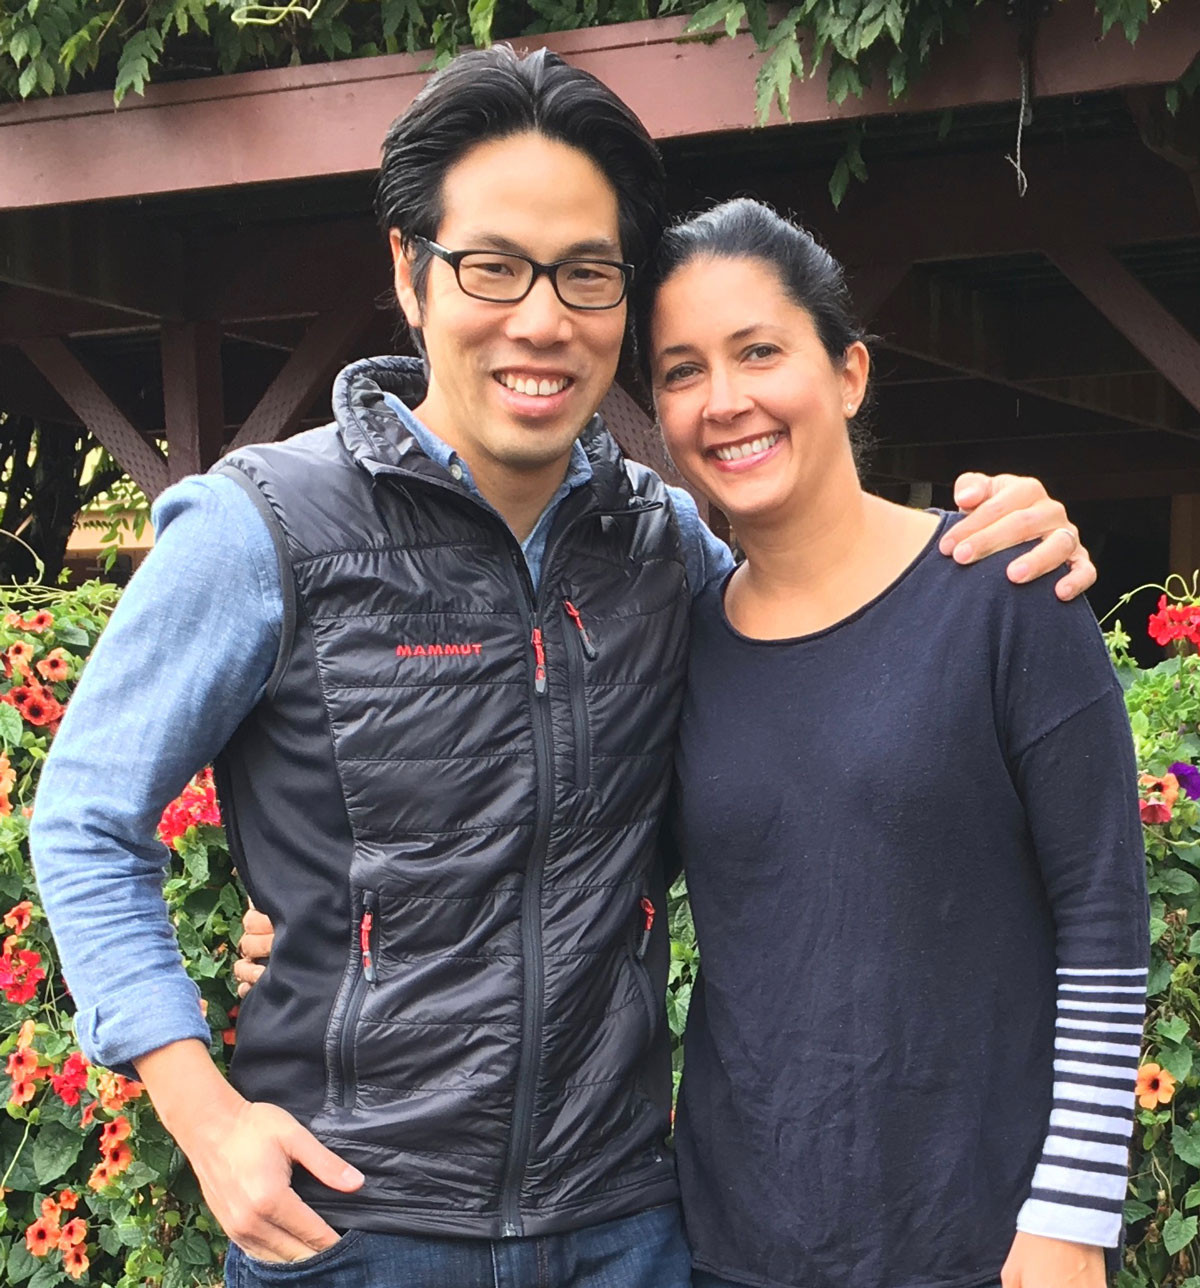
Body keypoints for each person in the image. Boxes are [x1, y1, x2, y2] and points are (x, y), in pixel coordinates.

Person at [30, 46, 1097, 1288]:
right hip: (356, 1228)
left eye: (588, 275)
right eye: (494, 265)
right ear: (410, 272)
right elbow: (86, 815)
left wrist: (992, 539)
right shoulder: (262, 529)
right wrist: (205, 1116)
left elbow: (829, 642)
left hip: (627, 1228)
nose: (542, 318)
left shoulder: (666, 547)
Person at [641, 199, 1148, 1288]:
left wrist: (1071, 1214)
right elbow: (575, 874)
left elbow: (1103, 913)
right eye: (681, 371)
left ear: (850, 373)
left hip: (982, 1243)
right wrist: (327, 919)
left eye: (759, 351)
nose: (723, 401)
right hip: (735, 1247)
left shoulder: (1006, 592)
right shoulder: (683, 647)